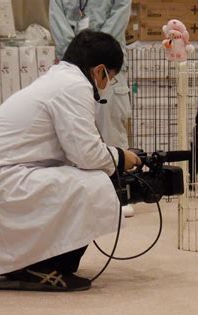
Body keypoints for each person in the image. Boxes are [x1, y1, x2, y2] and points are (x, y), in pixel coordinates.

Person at [0, 30, 141, 292]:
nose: (108, 82)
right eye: (110, 76)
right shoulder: (74, 87)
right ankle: (45, 267)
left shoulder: (60, 79)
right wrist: (123, 157)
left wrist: (112, 155)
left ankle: (26, 263)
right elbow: (87, 154)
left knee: (84, 177)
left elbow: (76, 148)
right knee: (96, 184)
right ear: (99, 71)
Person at [49, 0, 136, 217]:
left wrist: (97, 54)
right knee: (73, 133)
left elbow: (117, 21)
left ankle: (119, 192)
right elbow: (58, 25)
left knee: (112, 130)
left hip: (108, 68)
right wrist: (77, 58)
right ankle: (81, 194)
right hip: (72, 65)